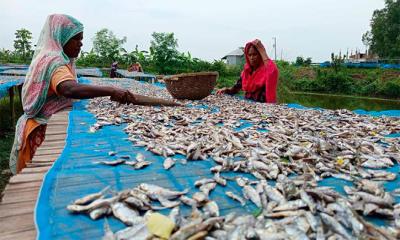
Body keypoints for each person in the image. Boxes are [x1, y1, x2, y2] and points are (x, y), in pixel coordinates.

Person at [9, 14, 178, 174]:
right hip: (41, 128)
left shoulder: (51, 58)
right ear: (62, 38)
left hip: (40, 121)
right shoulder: (55, 62)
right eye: (76, 39)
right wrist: (111, 90)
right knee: (45, 176)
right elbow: (68, 88)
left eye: (81, 39)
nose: (80, 44)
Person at [216, 39, 279, 103]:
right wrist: (226, 90)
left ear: (260, 55)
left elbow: (273, 72)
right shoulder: (246, 72)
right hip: (249, 105)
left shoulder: (266, 70)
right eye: (249, 55)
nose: (252, 58)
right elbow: (236, 88)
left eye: (255, 54)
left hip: (263, 106)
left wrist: (262, 51)